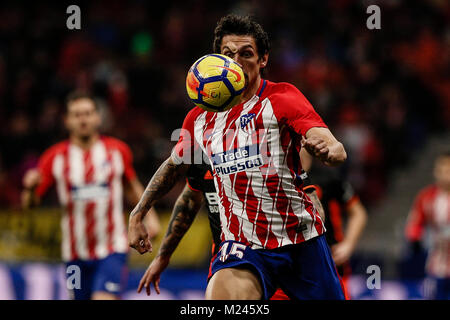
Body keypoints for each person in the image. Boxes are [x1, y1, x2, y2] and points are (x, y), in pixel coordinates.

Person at [129, 14, 347, 300]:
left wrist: (328, 151)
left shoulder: (282, 98)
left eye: (246, 54)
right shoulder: (199, 118)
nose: (236, 63)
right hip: (243, 246)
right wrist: (138, 213)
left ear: (263, 60)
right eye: (228, 54)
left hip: (301, 242)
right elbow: (175, 169)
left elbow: (335, 148)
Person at [21, 91, 160, 300]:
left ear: (97, 117)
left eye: (87, 113)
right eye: (76, 115)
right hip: (74, 254)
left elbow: (132, 187)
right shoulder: (54, 157)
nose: (83, 119)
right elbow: (29, 205)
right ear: (67, 121)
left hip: (112, 249)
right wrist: (31, 189)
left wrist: (150, 217)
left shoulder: (117, 151)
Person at [136, 160, 324, 300]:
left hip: (279, 261)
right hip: (229, 262)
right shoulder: (202, 155)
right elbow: (189, 201)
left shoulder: (268, 152)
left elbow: (316, 211)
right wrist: (163, 256)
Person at [303, 156, 368, 299]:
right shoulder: (277, 179)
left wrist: (348, 245)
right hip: (293, 265)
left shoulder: (328, 177)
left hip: (332, 264)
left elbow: (358, 213)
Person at [404, 151, 450, 300]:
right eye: (440, 170)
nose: (444, 175)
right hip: (437, 265)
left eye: (448, 171)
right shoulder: (427, 197)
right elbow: (414, 222)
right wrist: (414, 238)